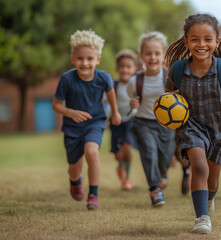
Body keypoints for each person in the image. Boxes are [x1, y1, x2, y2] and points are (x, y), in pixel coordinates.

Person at [164, 14, 221, 234]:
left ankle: (209, 197)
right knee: (199, 166)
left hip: (218, 130)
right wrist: (169, 109)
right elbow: (168, 93)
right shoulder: (178, 69)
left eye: (207, 39)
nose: (201, 44)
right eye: (194, 39)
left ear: (217, 42)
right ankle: (201, 218)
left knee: (212, 182)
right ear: (186, 42)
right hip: (190, 128)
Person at [52, 30, 121, 210]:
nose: (85, 63)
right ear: (72, 58)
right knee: (73, 168)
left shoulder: (103, 77)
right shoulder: (67, 79)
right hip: (72, 127)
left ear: (97, 60)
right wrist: (71, 113)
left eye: (90, 59)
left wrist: (115, 113)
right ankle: (75, 181)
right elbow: (56, 105)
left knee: (92, 152)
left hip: (95, 122)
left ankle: (93, 195)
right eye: (80, 59)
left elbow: (111, 93)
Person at [127, 32, 175, 207]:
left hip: (167, 125)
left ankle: (162, 174)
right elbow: (132, 102)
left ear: (163, 55)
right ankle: (155, 189)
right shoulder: (135, 81)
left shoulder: (171, 78)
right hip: (143, 123)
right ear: (141, 56)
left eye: (157, 53)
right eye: (148, 53)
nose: (153, 57)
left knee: (165, 158)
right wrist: (133, 104)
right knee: (149, 153)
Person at [109, 49, 139, 190]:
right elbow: (106, 100)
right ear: (117, 68)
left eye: (129, 66)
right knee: (118, 153)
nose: (125, 69)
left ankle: (126, 179)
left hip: (131, 119)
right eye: (122, 66)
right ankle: (120, 166)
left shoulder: (137, 84)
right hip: (116, 120)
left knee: (128, 146)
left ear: (135, 69)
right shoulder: (113, 85)